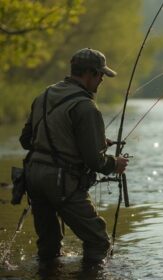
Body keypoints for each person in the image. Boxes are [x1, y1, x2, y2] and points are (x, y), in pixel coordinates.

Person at [19, 48, 128, 264]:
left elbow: (26, 140)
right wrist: (116, 163)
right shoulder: (86, 107)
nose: (102, 80)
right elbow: (95, 162)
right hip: (61, 182)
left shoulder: (44, 95)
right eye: (100, 75)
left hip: (33, 177)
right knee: (98, 241)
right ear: (89, 73)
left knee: (49, 244)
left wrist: (76, 140)